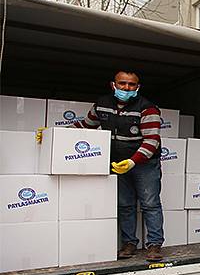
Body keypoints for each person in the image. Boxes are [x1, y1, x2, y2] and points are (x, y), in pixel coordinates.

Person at [38, 71, 165, 261]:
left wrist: (132, 161)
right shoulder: (101, 105)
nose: (126, 88)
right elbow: (86, 125)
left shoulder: (148, 109)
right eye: (122, 83)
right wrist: (54, 133)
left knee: (150, 203)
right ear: (113, 85)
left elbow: (152, 141)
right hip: (117, 162)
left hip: (143, 163)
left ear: (137, 87)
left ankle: (154, 245)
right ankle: (129, 243)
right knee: (125, 205)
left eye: (131, 85)